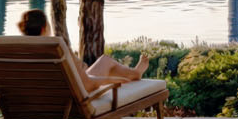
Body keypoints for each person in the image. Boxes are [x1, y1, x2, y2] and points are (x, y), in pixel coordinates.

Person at [17, 9, 150, 89]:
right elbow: (87, 85)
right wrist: (110, 80)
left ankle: (133, 73)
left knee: (102, 62)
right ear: (43, 28)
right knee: (106, 62)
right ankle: (135, 74)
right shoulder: (56, 48)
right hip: (71, 99)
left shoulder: (14, 52)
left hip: (38, 100)